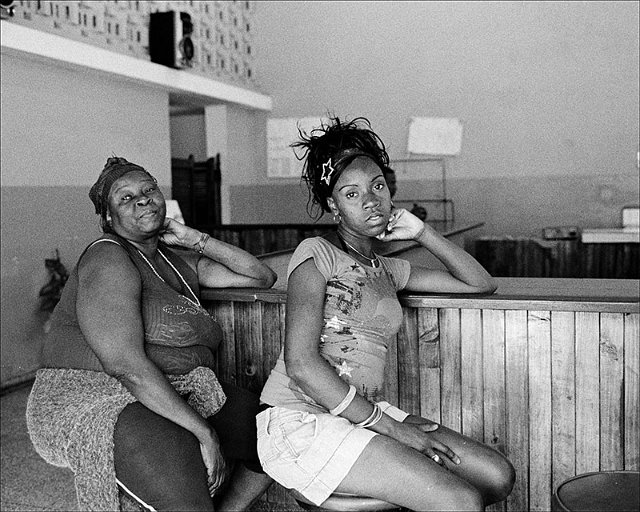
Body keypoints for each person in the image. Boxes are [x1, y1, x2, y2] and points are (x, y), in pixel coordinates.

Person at [256, 117, 515, 511]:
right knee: (461, 501)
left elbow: (480, 283)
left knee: (496, 477)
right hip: (300, 419)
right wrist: (395, 429)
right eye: (352, 193)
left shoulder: (387, 269)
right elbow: (302, 365)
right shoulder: (315, 255)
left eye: (377, 186)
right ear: (333, 206)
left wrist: (421, 232)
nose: (370, 201)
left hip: (361, 413)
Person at [26, 157, 277, 512]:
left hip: (173, 386)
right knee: (188, 502)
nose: (142, 200)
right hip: (98, 395)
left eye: (148, 190)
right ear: (109, 218)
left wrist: (194, 238)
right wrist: (204, 434)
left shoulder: (177, 260)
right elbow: (125, 366)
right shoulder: (108, 257)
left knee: (274, 437)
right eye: (126, 198)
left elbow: (260, 277)